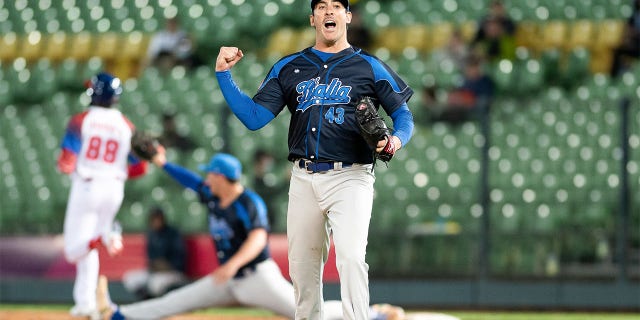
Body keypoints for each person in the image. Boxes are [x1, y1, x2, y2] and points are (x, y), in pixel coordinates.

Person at [213, 0, 415, 319]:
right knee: (303, 271)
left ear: (347, 16)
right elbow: (254, 117)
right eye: (321, 7)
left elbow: (403, 113)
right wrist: (224, 75)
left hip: (352, 177)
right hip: (303, 178)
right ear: (312, 19)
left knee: (349, 258)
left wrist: (396, 140)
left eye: (337, 6)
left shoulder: (369, 66)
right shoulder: (289, 66)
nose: (329, 11)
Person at [96, 147, 407, 320]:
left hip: (257, 276)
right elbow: (190, 181)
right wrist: (163, 163)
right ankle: (118, 315)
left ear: (222, 177)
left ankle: (374, 314)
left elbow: (258, 237)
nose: (207, 177)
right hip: (228, 279)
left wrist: (231, 265)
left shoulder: (248, 202)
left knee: (310, 312)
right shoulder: (214, 194)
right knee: (177, 300)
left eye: (211, 173)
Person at [56, 72, 148, 319]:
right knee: (88, 253)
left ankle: (103, 237)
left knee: (74, 249)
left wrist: (66, 166)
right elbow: (140, 168)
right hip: (114, 188)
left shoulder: (82, 120)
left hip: (87, 186)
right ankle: (86, 303)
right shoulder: (126, 125)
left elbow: (66, 161)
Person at [122, 206, 187, 300]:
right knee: (130, 278)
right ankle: (146, 299)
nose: (156, 222)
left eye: (158, 219)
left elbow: (180, 259)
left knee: (155, 283)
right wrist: (154, 265)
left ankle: (156, 302)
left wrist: (168, 265)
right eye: (154, 219)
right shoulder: (152, 235)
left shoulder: (173, 234)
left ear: (163, 219)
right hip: (155, 272)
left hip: (173, 272)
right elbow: (150, 259)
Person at [252, 149, 288, 231]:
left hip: (269, 221)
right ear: (258, 164)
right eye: (266, 162)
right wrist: (285, 181)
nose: (268, 165)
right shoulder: (254, 181)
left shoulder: (266, 179)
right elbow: (270, 193)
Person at [610, 0, 640, 78]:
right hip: (635, 45)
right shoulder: (634, 16)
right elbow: (627, 30)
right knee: (617, 51)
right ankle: (615, 77)